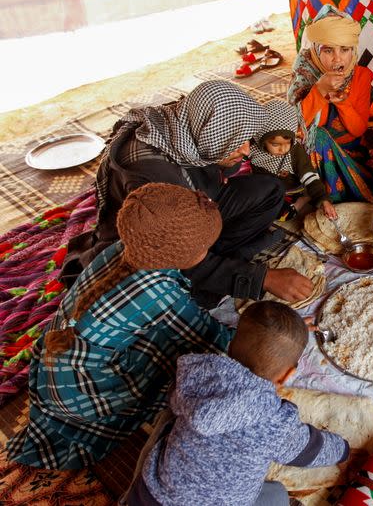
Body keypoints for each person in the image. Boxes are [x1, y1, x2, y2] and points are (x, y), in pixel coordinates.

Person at [7, 183, 236, 469]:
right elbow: (211, 338)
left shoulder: (121, 249)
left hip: (55, 372)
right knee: (189, 357)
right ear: (182, 253)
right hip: (85, 397)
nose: (206, 252)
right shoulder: (157, 292)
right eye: (204, 247)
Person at [64, 79, 313, 306]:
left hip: (196, 203)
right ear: (212, 137)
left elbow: (221, 168)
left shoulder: (188, 122)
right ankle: (208, 274)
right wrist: (262, 279)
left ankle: (221, 259)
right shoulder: (154, 176)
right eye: (238, 142)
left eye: (246, 140)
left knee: (270, 191)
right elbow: (172, 251)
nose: (247, 151)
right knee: (184, 293)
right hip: (152, 244)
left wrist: (229, 155)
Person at [125, 301, 350, 506]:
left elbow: (176, 400)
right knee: (278, 495)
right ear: (287, 375)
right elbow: (309, 449)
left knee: (168, 424)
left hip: (149, 496)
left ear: (230, 347)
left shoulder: (196, 373)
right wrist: (343, 450)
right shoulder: (273, 420)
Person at [288, 5, 373, 205]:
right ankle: (321, 195)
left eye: (345, 49)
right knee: (319, 136)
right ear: (315, 50)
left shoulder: (361, 76)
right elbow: (293, 129)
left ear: (353, 50)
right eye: (328, 50)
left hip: (351, 155)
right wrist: (319, 90)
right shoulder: (304, 73)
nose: (338, 58)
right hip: (310, 159)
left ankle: (324, 197)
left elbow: (358, 130)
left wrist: (344, 104)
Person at [250, 100, 337, 221]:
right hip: (270, 191)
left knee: (282, 215)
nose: (283, 149)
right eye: (275, 144)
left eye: (287, 143)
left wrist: (323, 200)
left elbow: (309, 176)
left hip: (292, 191)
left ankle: (304, 199)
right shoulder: (253, 148)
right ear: (262, 139)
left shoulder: (295, 151)